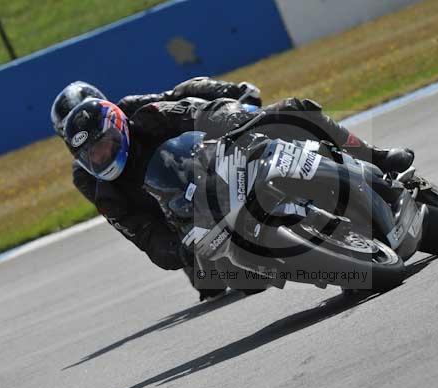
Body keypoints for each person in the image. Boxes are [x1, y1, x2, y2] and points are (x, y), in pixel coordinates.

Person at [62, 95, 415, 291]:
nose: (102, 157)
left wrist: (233, 119)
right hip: (195, 219)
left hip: (219, 162)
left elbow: (199, 112)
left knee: (296, 109)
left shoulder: (151, 117)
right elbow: (148, 240)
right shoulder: (109, 197)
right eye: (92, 154)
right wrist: (177, 250)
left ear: (118, 127)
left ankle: (375, 157)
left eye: (104, 146)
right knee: (236, 277)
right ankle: (318, 258)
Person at [51, 78, 262, 301]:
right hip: (177, 222)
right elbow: (138, 228)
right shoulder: (92, 180)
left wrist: (228, 96)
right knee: (222, 281)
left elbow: (179, 97)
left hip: (199, 171)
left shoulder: (139, 111)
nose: (84, 125)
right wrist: (180, 247)